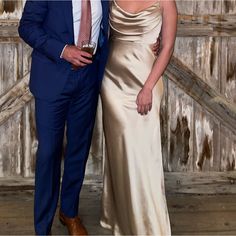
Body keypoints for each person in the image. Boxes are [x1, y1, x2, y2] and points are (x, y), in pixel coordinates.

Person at [18, 0, 109, 235]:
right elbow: (27, 26)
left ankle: (69, 212)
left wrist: (151, 39)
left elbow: (118, 22)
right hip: (52, 78)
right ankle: (42, 227)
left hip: (88, 78)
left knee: (78, 149)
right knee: (48, 153)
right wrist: (63, 50)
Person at [99, 0, 177, 235]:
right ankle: (120, 218)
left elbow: (167, 47)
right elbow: (97, 28)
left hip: (145, 79)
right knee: (119, 150)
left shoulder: (166, 1)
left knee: (144, 153)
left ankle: (149, 223)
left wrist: (148, 87)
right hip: (112, 81)